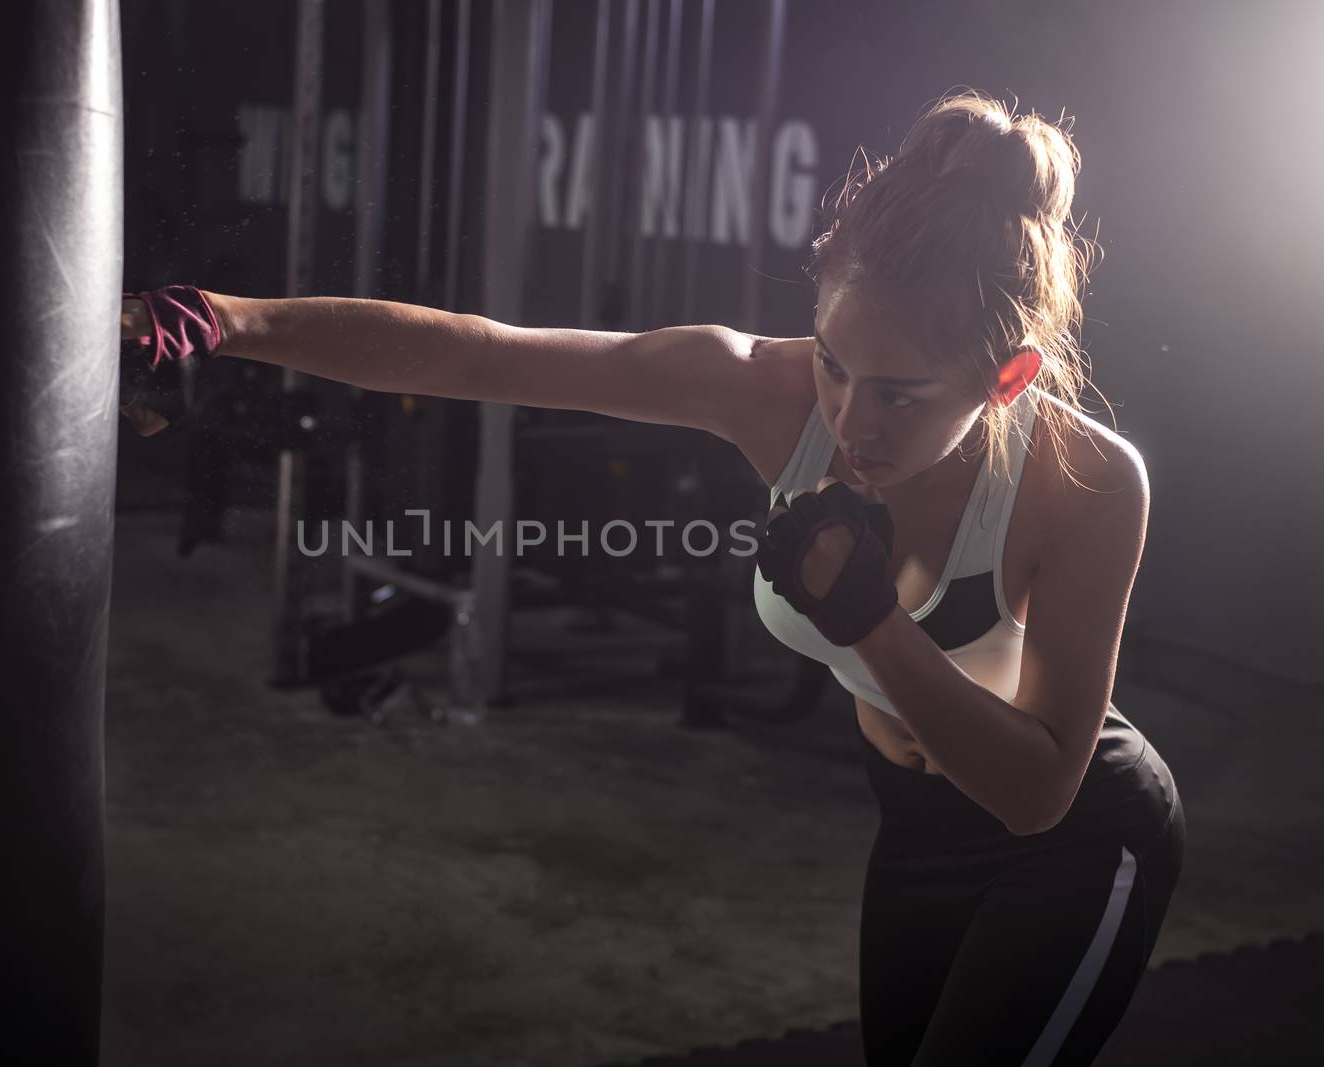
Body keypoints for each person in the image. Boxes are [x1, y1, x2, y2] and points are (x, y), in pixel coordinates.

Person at [119, 90, 1183, 1066]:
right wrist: (225, 321)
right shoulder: (764, 391)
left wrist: (865, 619)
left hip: (1081, 840)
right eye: (831, 361)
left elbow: (1036, 792)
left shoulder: (1083, 482)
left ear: (1008, 378)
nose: (852, 422)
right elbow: (485, 354)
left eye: (901, 395)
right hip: (910, 827)